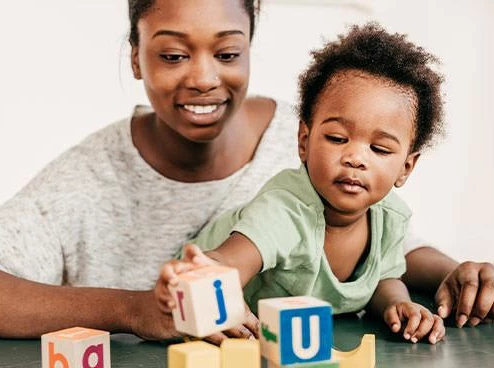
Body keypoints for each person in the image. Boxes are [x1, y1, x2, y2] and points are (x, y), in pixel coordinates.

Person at [0, 0, 494, 346]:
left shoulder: (326, 133)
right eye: (172, 54)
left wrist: (458, 272)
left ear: (251, 45)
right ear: (136, 59)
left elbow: (385, 247)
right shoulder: (90, 178)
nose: (203, 77)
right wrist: (134, 310)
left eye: (227, 53)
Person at [156, 22, 447, 344]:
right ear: (304, 141)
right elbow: (229, 261)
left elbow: (381, 278)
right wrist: (199, 274)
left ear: (406, 167)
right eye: (337, 138)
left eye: (379, 149)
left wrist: (398, 304)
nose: (355, 158)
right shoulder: (286, 209)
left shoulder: (391, 216)